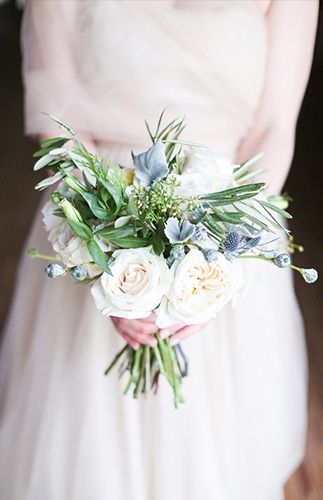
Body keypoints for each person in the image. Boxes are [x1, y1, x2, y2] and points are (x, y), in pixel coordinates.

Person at [0, 1, 318, 499]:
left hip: (230, 212)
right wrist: (102, 258)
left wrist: (218, 266)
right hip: (94, 205)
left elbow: (274, 127)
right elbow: (56, 117)